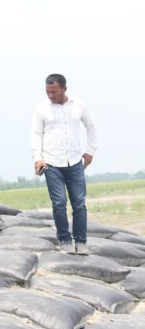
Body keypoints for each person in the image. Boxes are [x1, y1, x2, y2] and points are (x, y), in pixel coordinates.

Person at [31, 73, 98, 255]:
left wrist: (90, 151)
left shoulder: (79, 106)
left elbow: (91, 126)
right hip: (51, 162)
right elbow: (36, 134)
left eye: (54, 92)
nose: (50, 95)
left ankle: (81, 242)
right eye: (47, 92)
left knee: (79, 204)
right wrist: (38, 158)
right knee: (59, 202)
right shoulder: (41, 109)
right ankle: (64, 240)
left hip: (75, 162)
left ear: (64, 89)